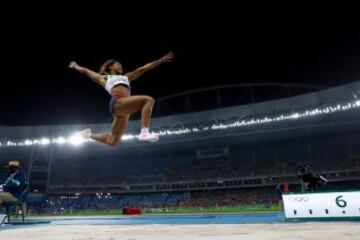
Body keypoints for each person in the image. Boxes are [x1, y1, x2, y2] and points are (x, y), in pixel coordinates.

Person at [69, 51, 174, 146]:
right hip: (117, 102)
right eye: (118, 64)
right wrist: (76, 66)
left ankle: (87, 135)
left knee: (113, 141)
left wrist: (159, 61)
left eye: (121, 65)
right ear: (110, 67)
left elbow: (143, 69)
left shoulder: (127, 77)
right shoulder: (104, 78)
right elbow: (87, 71)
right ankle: (144, 132)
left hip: (124, 109)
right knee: (148, 100)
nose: (121, 66)